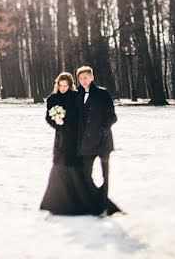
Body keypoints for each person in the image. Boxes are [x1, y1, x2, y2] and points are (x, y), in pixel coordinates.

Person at [39, 72, 120, 216]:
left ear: (70, 86)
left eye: (66, 86)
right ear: (57, 85)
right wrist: (57, 123)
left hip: (75, 137)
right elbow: (48, 117)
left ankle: (90, 203)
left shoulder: (75, 97)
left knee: (78, 170)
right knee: (59, 166)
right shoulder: (52, 99)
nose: (63, 88)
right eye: (60, 85)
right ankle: (57, 203)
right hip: (61, 138)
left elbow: (81, 115)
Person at [76, 66, 120, 214]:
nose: (83, 81)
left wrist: (102, 131)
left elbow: (112, 117)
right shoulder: (77, 95)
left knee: (104, 175)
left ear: (92, 77)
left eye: (86, 77)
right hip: (86, 143)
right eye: (81, 78)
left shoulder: (102, 93)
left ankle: (104, 204)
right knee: (85, 174)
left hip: (103, 142)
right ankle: (95, 201)